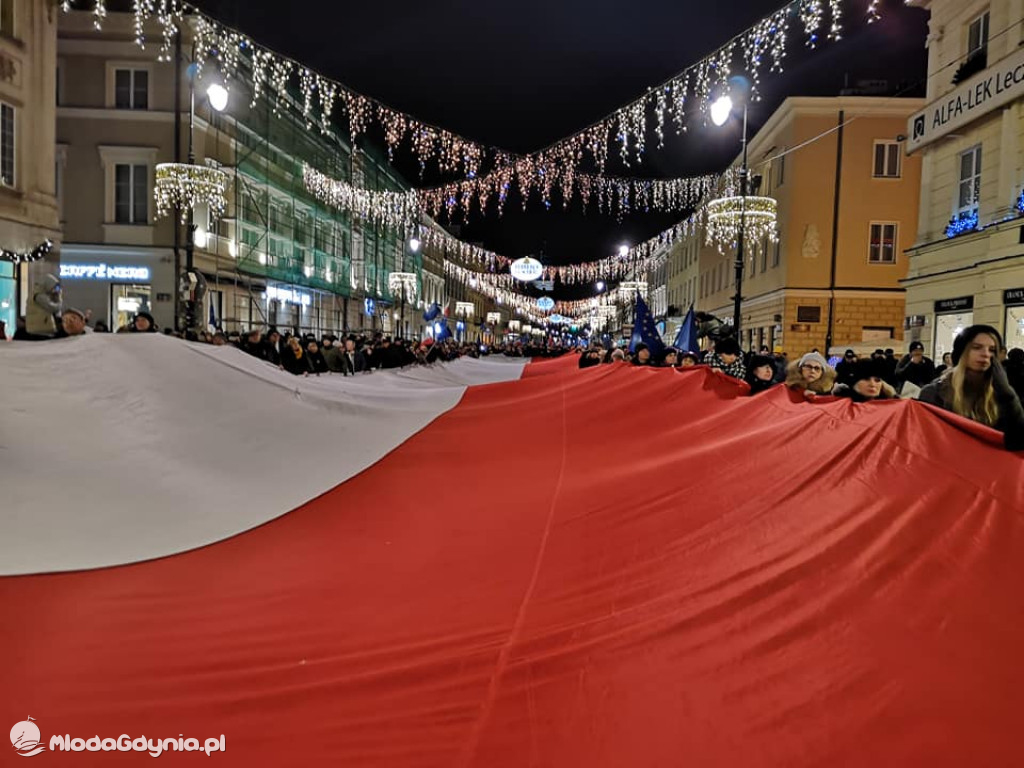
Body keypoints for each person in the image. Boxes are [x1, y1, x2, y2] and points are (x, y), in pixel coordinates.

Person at [918, 325, 1024, 450]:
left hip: (989, 465)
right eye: (977, 348)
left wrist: (1007, 395)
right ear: (962, 352)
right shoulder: (935, 392)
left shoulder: (1000, 392)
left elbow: (1018, 440)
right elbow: (925, 441)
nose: (985, 354)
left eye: (992, 350)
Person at [832, 358, 897, 402]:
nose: (872, 384)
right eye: (866, 379)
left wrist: (894, 397)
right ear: (855, 383)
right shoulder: (841, 405)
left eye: (877, 380)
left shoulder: (889, 407)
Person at [23, 273, 62, 338]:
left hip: (39, 327)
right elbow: (54, 308)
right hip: (41, 329)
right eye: (54, 287)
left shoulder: (39, 294)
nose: (55, 290)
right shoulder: (39, 296)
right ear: (48, 285)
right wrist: (59, 299)